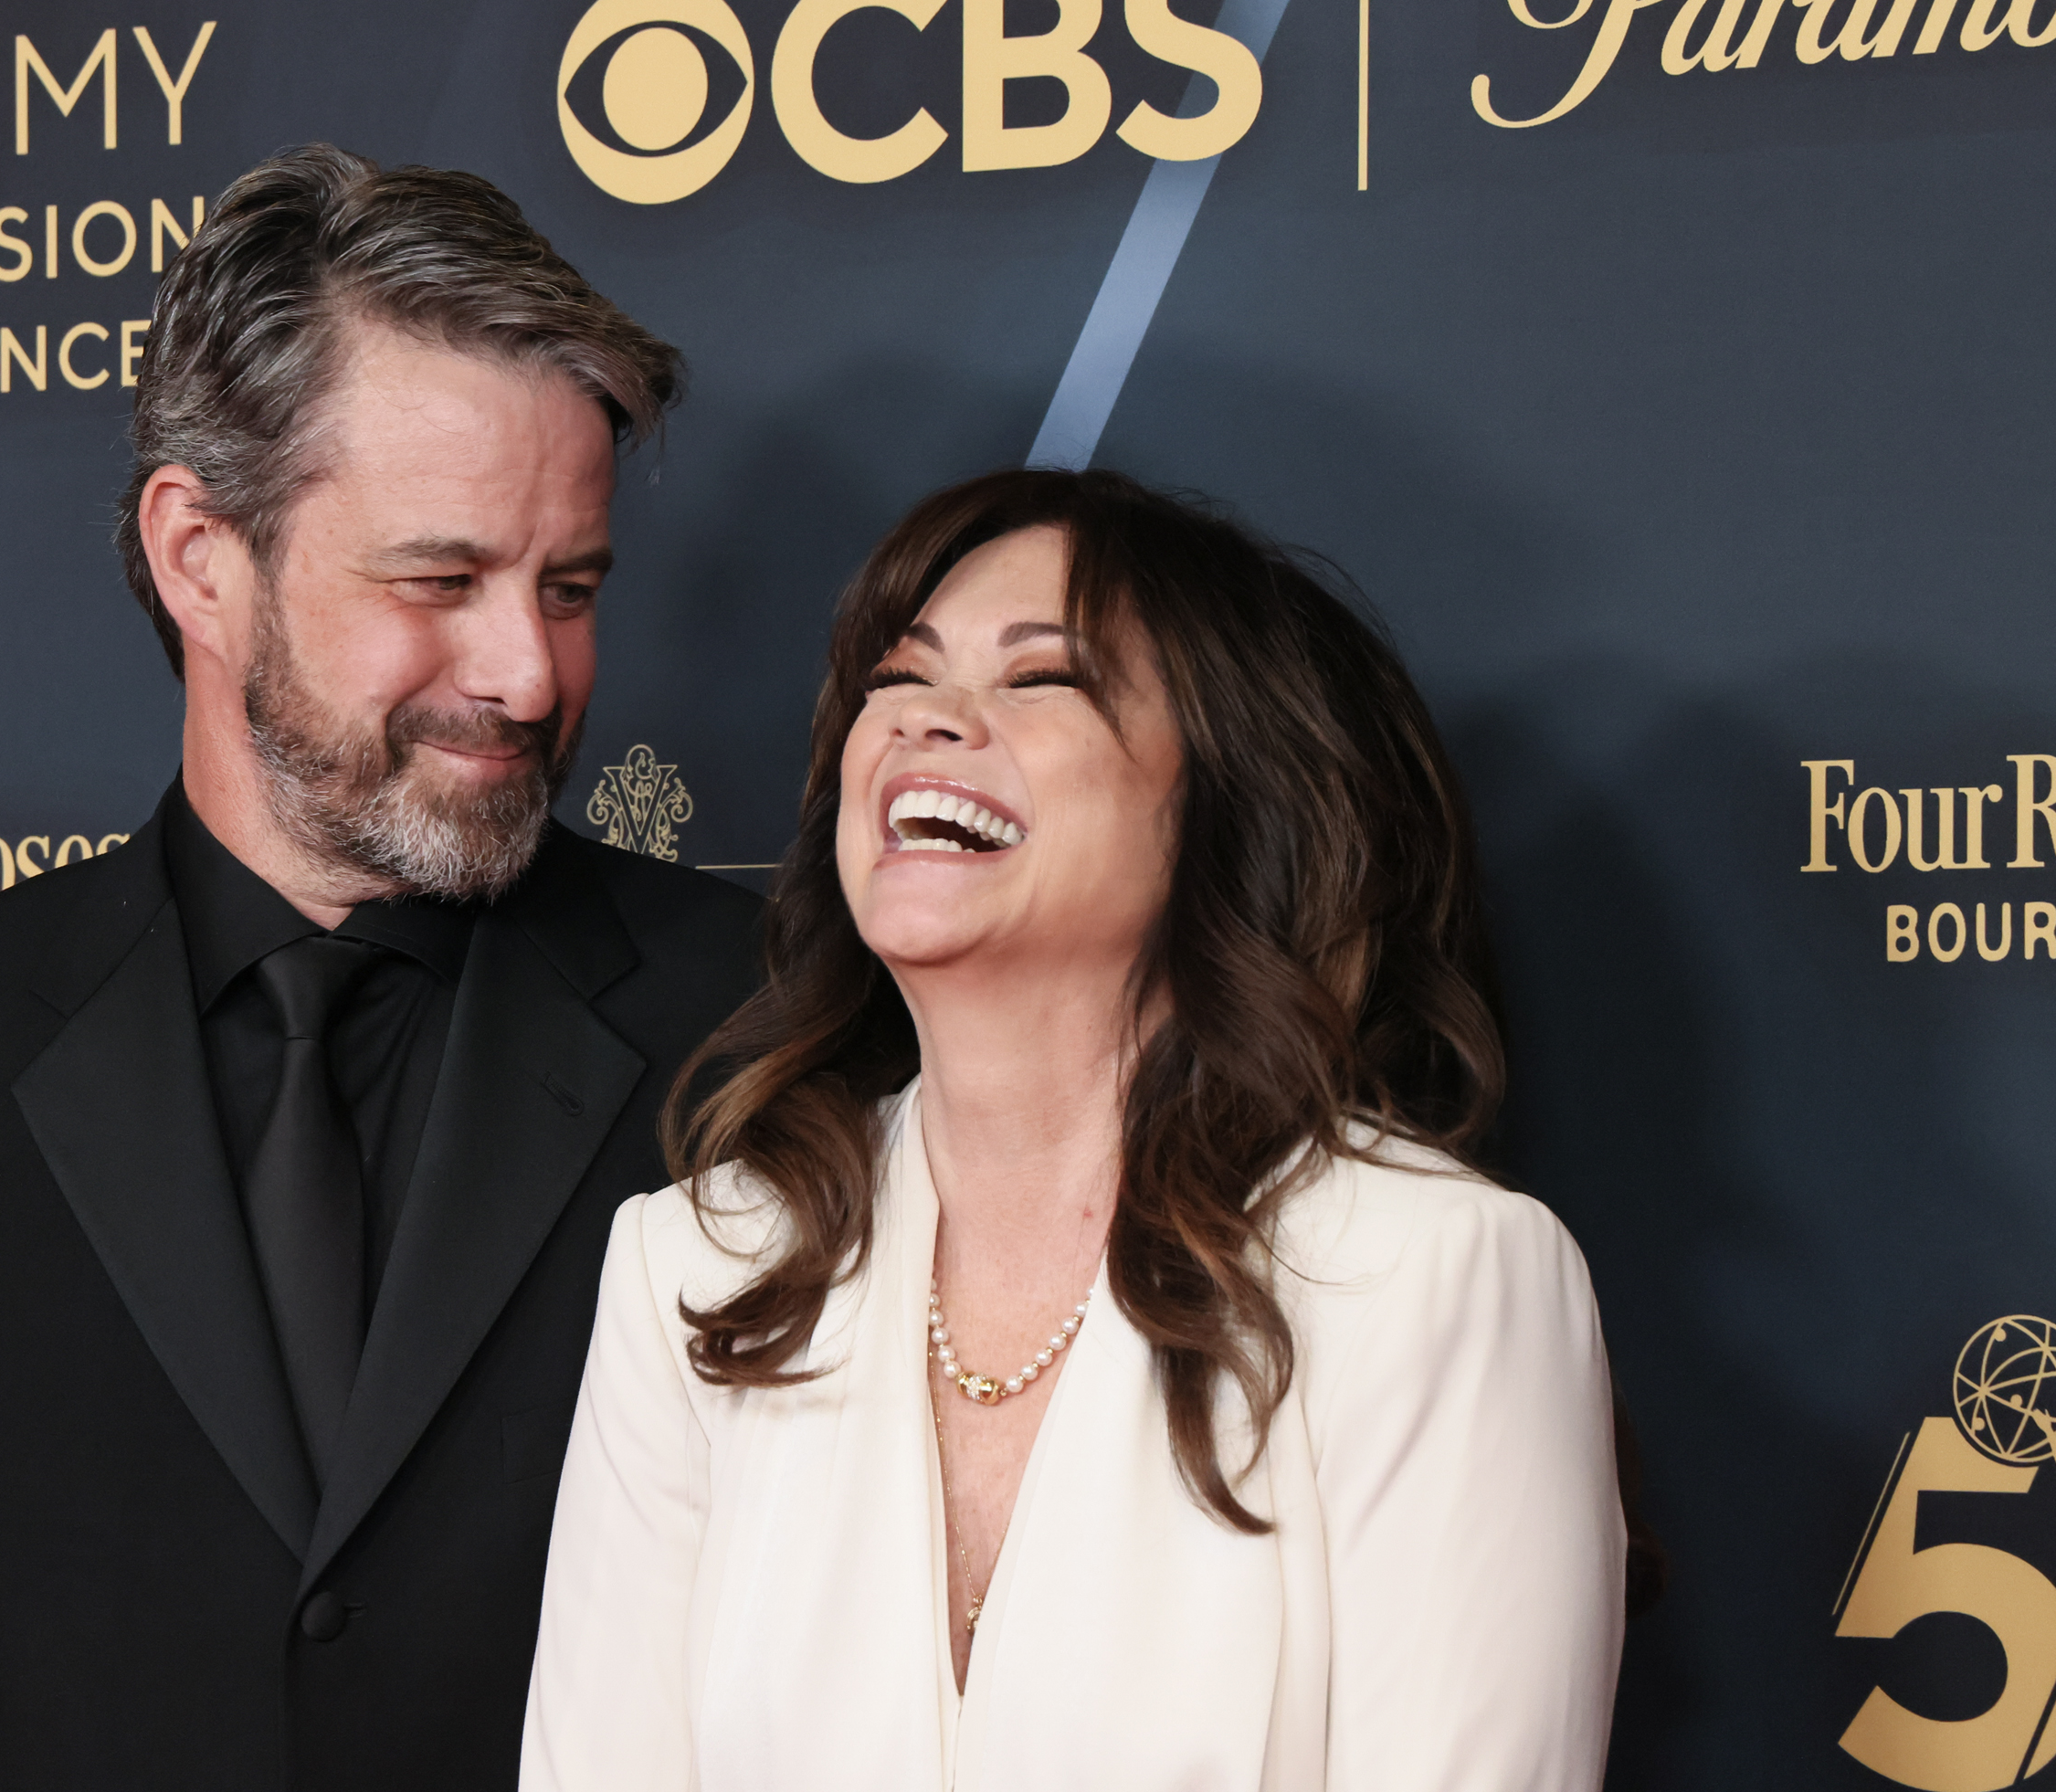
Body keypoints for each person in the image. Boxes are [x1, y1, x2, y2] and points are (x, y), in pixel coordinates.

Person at [0, 146, 760, 1792]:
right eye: (439, 580)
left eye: (571, 587)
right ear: (200, 556)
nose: (527, 670)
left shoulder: (766, 1020)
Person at [522, 469, 1627, 1789]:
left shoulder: (1435, 1274)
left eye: (1041, 680)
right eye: (900, 676)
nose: (930, 720)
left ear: (1229, 804)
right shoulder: (698, 1270)